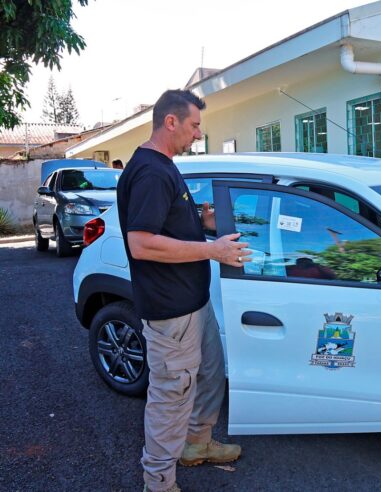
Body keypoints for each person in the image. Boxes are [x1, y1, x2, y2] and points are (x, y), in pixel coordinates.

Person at [116, 89, 252, 492]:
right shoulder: (151, 172)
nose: (198, 134)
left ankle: (197, 443)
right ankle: (158, 482)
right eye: (194, 125)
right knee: (171, 398)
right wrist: (213, 249)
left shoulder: (166, 166)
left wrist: (200, 222)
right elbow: (141, 243)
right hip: (171, 313)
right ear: (170, 122)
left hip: (194, 303)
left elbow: (166, 225)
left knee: (210, 374)